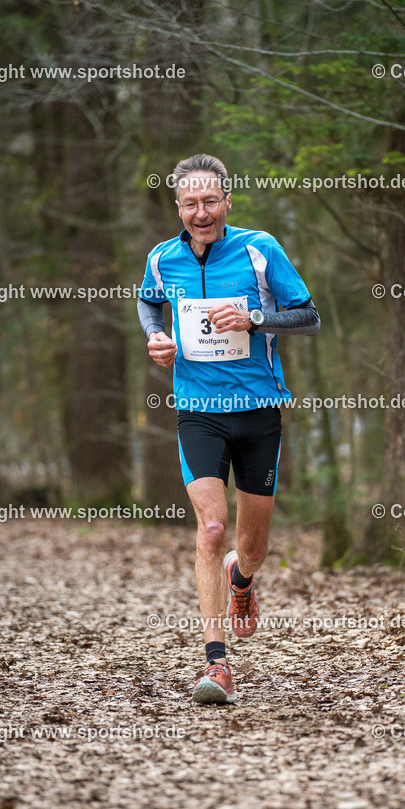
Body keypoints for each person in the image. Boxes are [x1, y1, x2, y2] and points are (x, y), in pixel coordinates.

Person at [137, 154, 320, 705]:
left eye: (210, 201)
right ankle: (217, 664)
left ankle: (243, 579)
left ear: (227, 202)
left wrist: (256, 319)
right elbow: (148, 305)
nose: (201, 212)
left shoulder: (260, 249)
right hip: (198, 411)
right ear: (178, 207)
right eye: (190, 203)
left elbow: (309, 316)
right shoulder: (161, 258)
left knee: (251, 546)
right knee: (211, 531)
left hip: (259, 410)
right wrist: (157, 340)